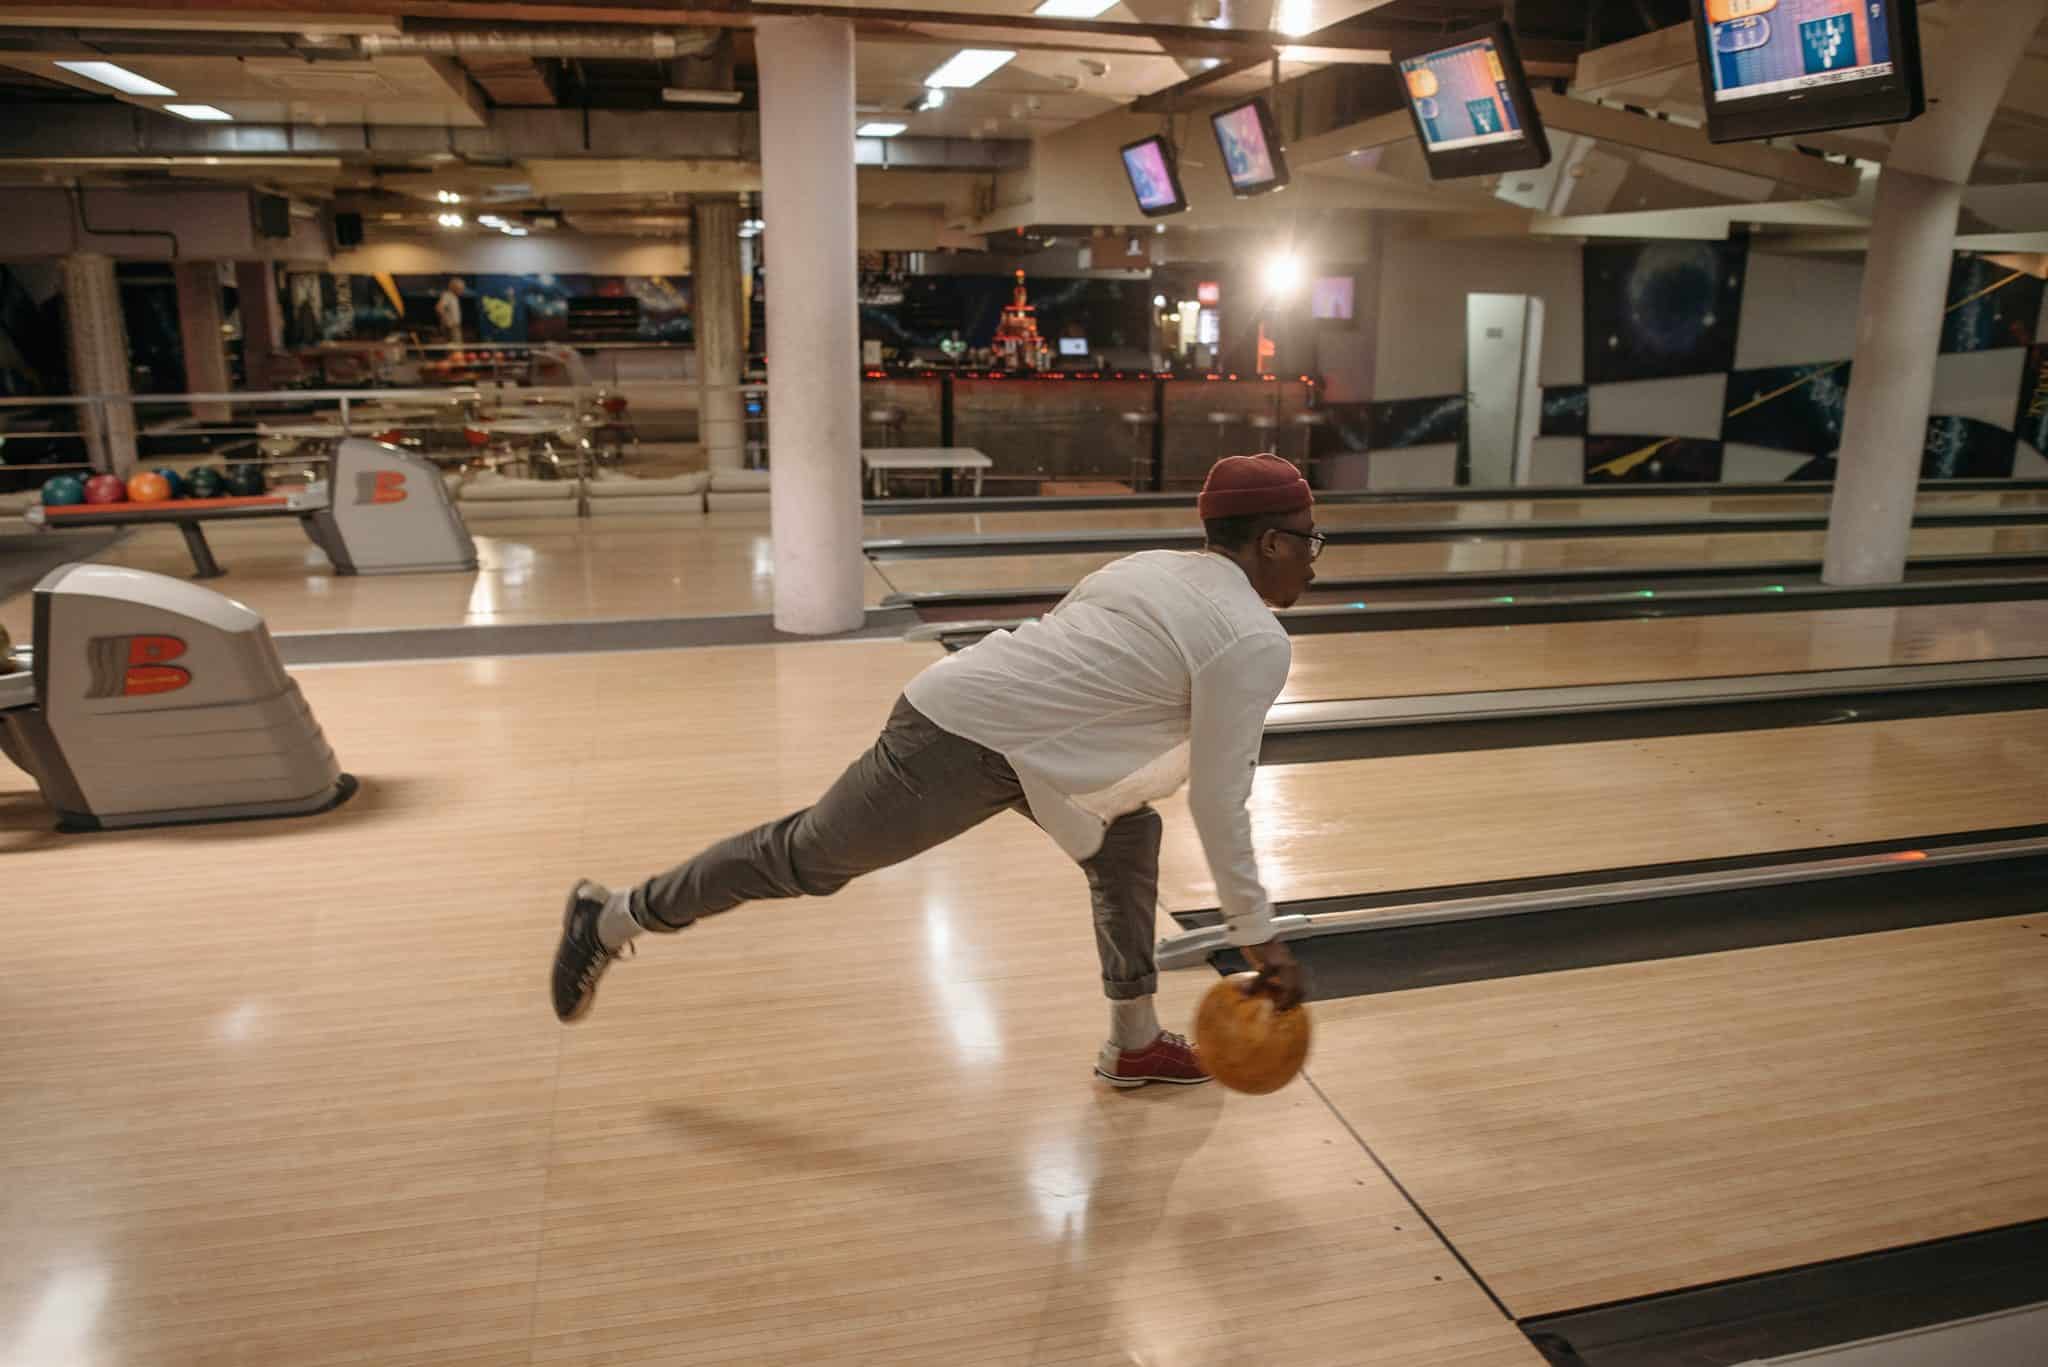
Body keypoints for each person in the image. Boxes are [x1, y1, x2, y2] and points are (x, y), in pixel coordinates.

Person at [550, 453, 1320, 1087]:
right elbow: (1222, 802)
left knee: (1126, 838)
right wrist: (1259, 935)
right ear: (1272, 543)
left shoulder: (1149, 567)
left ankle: (1135, 1039)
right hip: (959, 736)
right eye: (1310, 542)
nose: (1313, 563)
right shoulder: (1251, 638)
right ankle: (612, 914)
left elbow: (1070, 654)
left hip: (1020, 740)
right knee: (807, 856)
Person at [435, 278, 466, 344]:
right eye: (461, 288)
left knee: (457, 347)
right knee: (455, 348)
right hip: (451, 327)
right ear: (454, 288)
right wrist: (445, 321)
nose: (462, 290)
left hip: (454, 326)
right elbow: (439, 308)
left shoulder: (454, 297)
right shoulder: (447, 296)